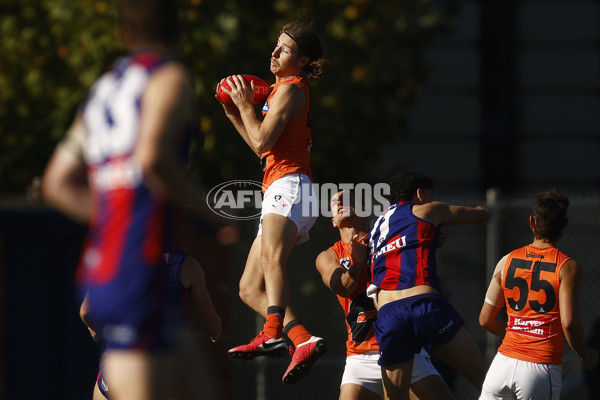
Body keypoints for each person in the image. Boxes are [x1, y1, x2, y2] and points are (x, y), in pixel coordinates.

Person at [41, 1, 215, 398]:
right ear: (178, 31)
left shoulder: (101, 91)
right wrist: (212, 213)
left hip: (109, 271)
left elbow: (56, 184)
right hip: (135, 274)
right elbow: (152, 157)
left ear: (124, 34)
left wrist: (117, 215)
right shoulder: (169, 77)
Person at [217, 20, 329, 384]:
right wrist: (237, 114)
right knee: (250, 286)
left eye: (285, 48)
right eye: (276, 45)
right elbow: (261, 147)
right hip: (282, 185)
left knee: (271, 260)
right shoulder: (281, 89)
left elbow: (263, 143)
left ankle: (273, 332)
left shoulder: (290, 89)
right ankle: (302, 339)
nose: (274, 52)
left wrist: (246, 105)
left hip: (291, 186)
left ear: (303, 60)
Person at [316, 190, 455, 400]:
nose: (342, 202)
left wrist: (432, 240)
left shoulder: (386, 240)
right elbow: (343, 287)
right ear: (333, 221)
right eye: (337, 202)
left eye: (351, 199)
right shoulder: (328, 256)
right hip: (360, 356)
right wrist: (359, 262)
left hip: (405, 349)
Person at [366, 170, 490, 400]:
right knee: (487, 381)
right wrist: (447, 221)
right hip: (423, 306)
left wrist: (432, 238)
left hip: (388, 315)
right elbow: (480, 215)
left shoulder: (376, 229)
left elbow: (394, 258)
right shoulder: (426, 209)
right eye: (430, 196)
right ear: (420, 193)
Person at [478, 189, 599, 399]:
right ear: (565, 224)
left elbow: (485, 319)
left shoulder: (506, 261)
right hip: (540, 367)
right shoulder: (567, 267)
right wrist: (585, 356)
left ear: (532, 221)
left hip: (501, 365)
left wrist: (519, 333)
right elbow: (569, 323)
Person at [81, 252, 222, 400]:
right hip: (157, 368)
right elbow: (212, 326)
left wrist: (104, 334)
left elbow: (86, 311)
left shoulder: (117, 257)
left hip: (116, 367)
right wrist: (215, 332)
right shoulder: (186, 266)